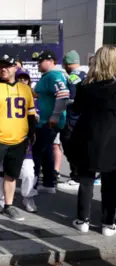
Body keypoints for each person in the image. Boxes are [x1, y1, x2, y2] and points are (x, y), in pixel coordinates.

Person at [0, 55, 37, 220]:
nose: (4, 69)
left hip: (19, 139)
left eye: (8, 66)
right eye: (1, 66)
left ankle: (8, 205)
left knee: (11, 175)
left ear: (15, 68)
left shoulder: (25, 89)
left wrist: (30, 134)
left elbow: (31, 115)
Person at [68, 45, 116, 237]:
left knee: (86, 180)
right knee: (111, 183)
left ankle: (83, 220)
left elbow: (76, 109)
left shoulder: (86, 86)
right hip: (113, 138)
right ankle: (108, 223)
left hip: (88, 136)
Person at [33, 50, 69, 194]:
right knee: (46, 150)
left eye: (40, 61)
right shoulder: (48, 76)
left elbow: (63, 94)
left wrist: (55, 116)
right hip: (45, 121)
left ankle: (33, 183)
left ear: (50, 60)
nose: (38, 64)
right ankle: (49, 183)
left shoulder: (53, 75)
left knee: (37, 151)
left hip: (49, 122)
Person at [59, 50, 88, 190]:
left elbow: (71, 99)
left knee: (70, 147)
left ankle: (76, 177)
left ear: (67, 63)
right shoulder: (86, 74)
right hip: (84, 118)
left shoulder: (72, 77)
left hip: (72, 118)